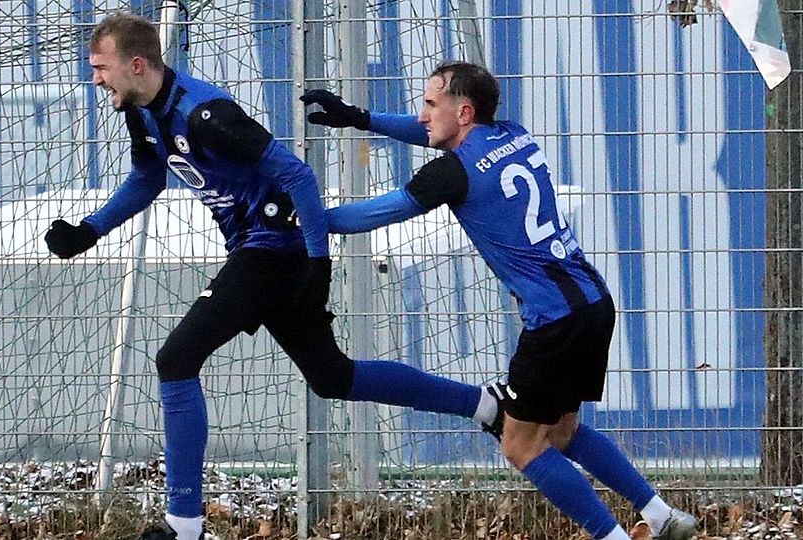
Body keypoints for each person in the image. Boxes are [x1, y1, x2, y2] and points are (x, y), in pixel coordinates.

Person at [45, 15, 505, 540]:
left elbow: (298, 176)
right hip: (261, 252)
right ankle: (486, 405)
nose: (96, 80)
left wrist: (317, 264)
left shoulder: (207, 115)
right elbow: (148, 177)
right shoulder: (143, 113)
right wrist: (90, 229)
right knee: (334, 377)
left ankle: (183, 524)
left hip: (274, 249)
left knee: (175, 359)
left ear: (136, 64)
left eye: (100, 68)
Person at [302, 61, 700, 540]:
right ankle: (662, 516)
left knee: (521, 447)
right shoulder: (513, 133)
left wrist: (307, 218)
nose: (422, 115)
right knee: (562, 434)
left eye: (431, 104)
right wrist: (360, 118)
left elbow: (379, 212)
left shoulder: (454, 172)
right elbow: (429, 130)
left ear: (464, 111)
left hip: (554, 322)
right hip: (592, 302)